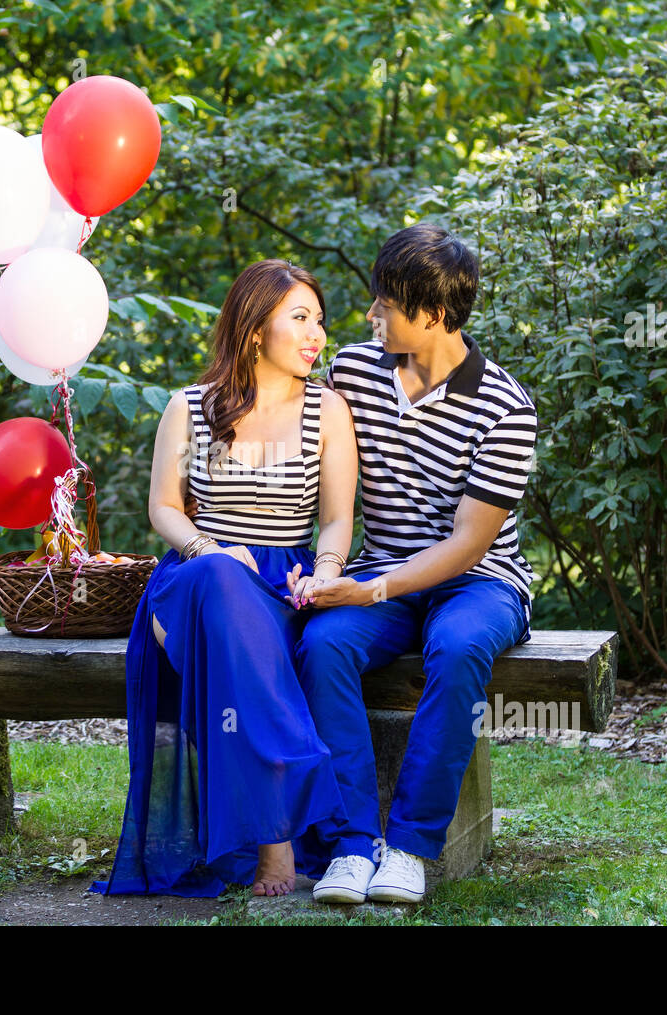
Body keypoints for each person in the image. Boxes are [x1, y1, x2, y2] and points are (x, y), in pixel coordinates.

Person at [91, 258, 360, 898]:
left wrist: (325, 575)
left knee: (243, 618)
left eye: (319, 320)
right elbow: (164, 507)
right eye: (300, 318)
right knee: (219, 579)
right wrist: (209, 547)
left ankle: (277, 806)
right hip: (194, 575)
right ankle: (279, 833)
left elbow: (337, 518)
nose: (316, 334)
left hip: (281, 583)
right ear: (252, 328)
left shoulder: (329, 410)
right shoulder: (189, 407)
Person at [288, 224, 538, 905]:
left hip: (479, 583)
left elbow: (468, 545)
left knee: (457, 649)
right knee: (323, 644)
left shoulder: (506, 408)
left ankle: (407, 846)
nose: (373, 314)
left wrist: (369, 589)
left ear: (431, 313)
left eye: (387, 303)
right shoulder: (352, 372)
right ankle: (350, 844)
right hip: (381, 573)